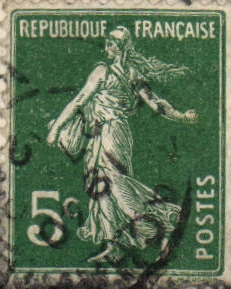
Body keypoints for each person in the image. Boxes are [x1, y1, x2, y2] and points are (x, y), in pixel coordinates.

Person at [45, 26, 197, 263]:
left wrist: (56, 128)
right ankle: (112, 243)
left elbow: (79, 101)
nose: (106, 48)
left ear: (119, 47)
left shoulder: (102, 71)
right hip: (114, 133)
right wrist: (182, 116)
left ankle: (164, 221)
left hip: (109, 132)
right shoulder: (133, 73)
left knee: (112, 182)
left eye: (110, 44)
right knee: (100, 184)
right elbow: (156, 104)